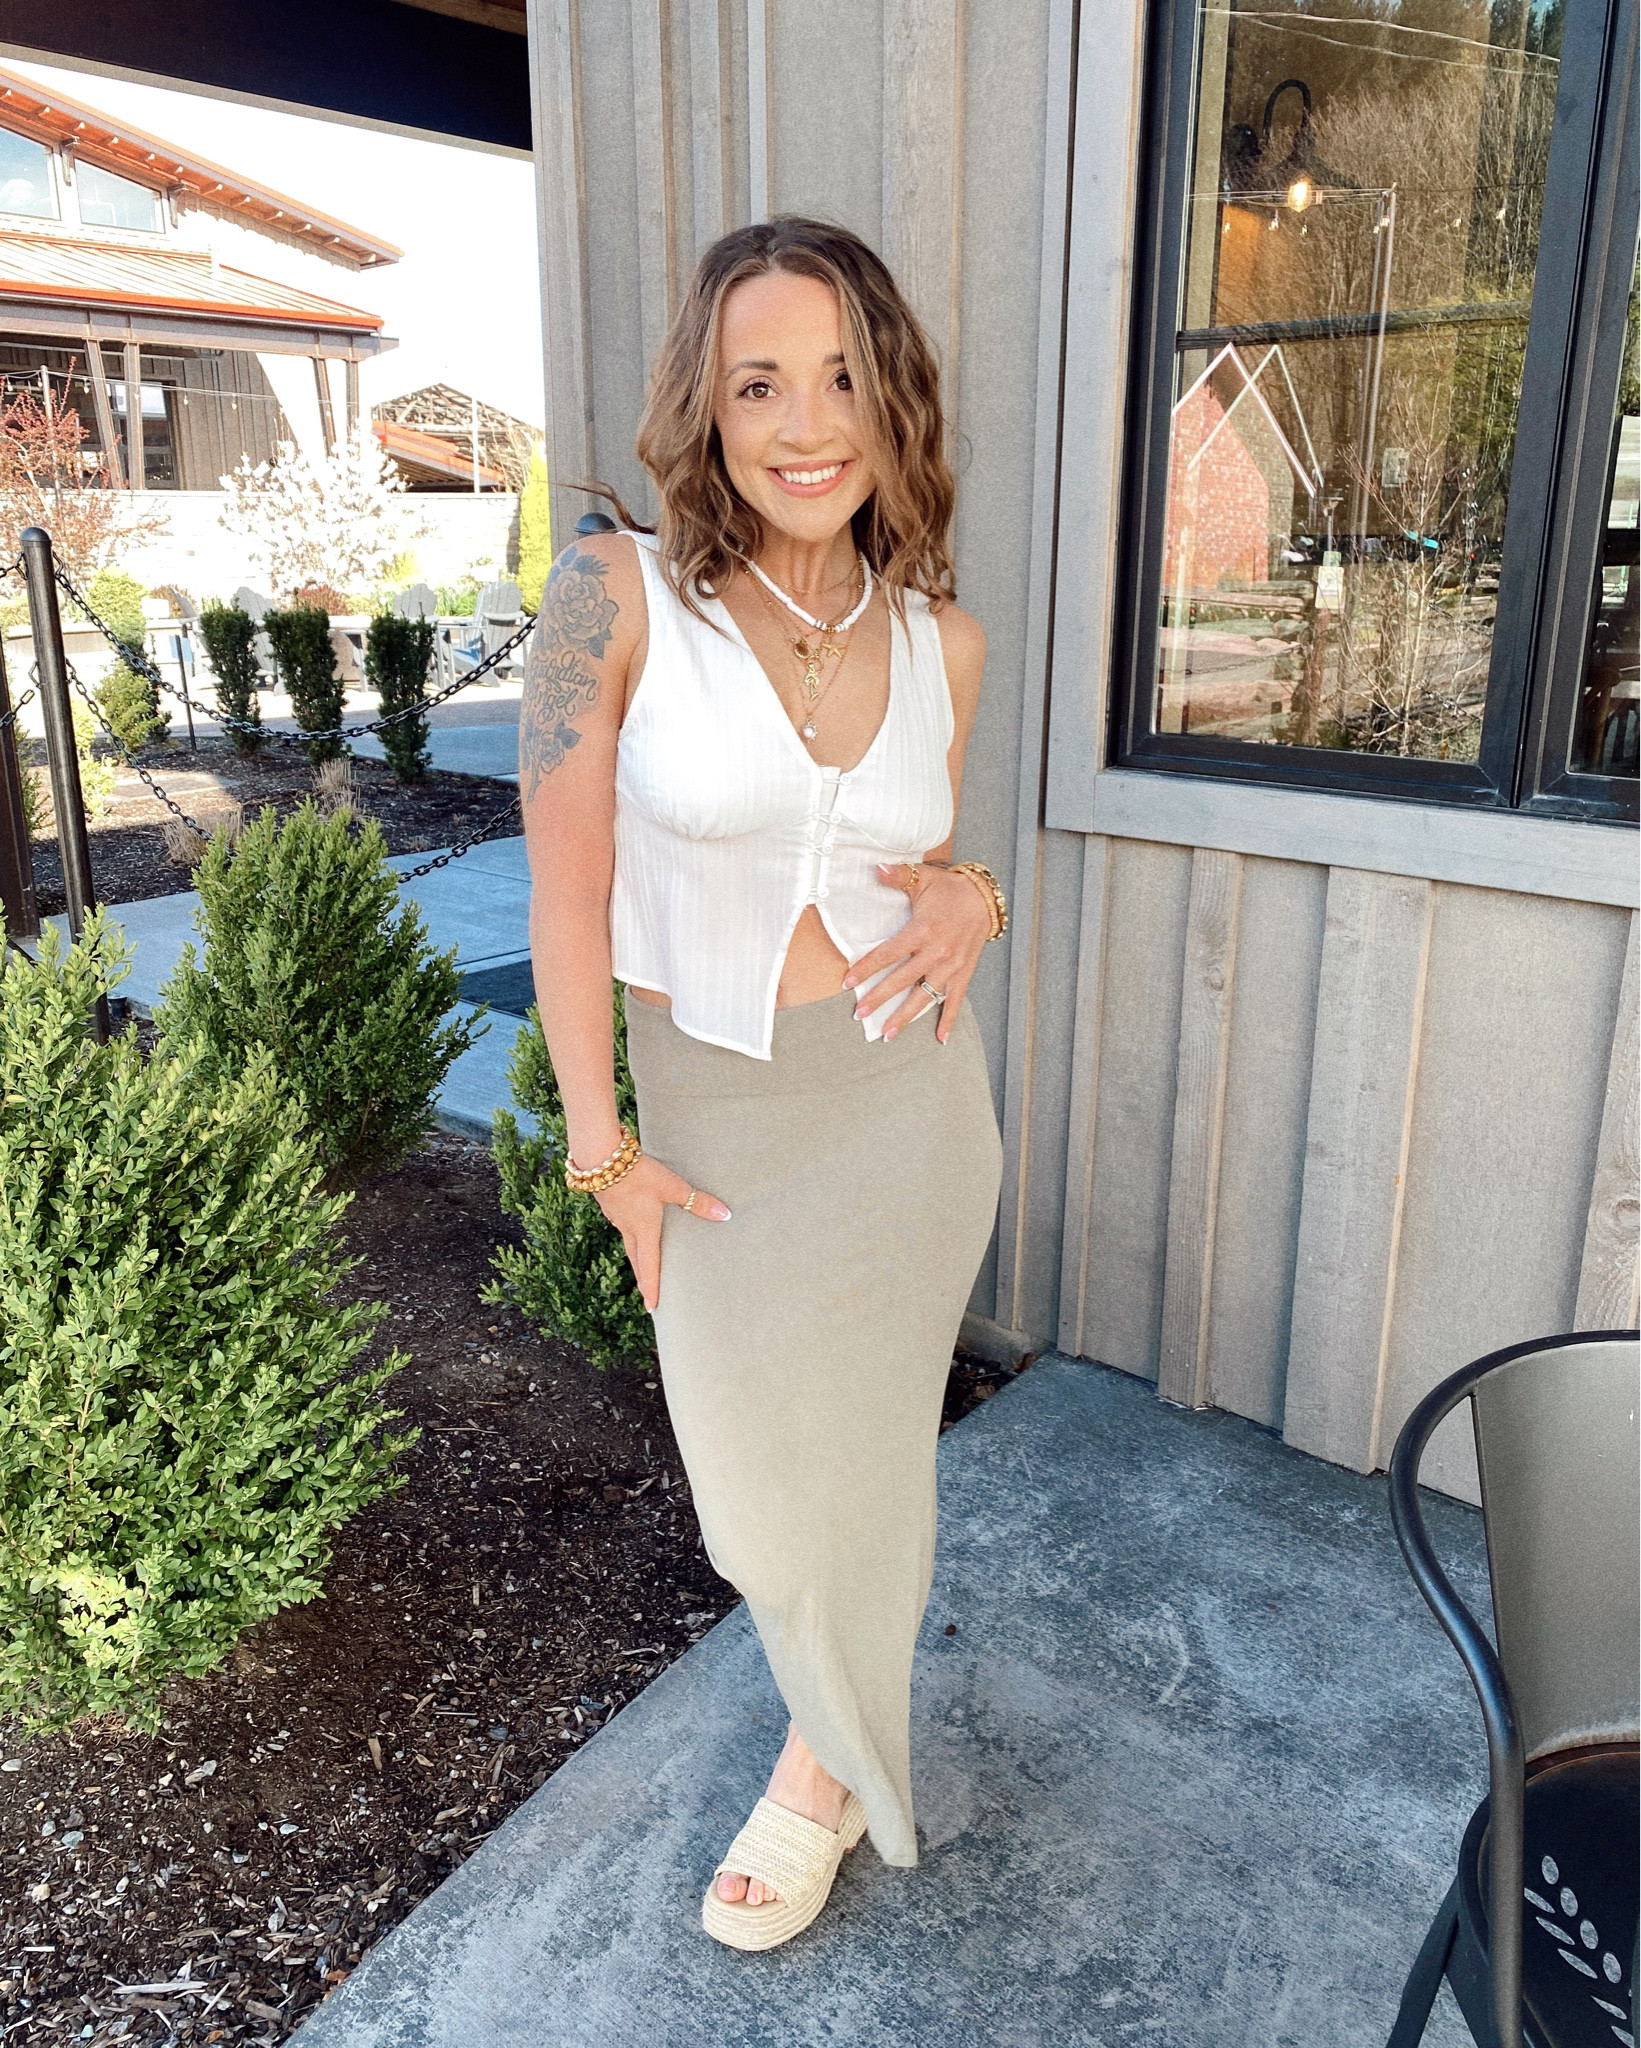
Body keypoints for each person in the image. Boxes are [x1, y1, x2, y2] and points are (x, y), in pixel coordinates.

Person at [520, 215, 1007, 1951]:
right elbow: (563, 895)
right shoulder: (611, 597)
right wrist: (603, 1153)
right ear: (706, 410)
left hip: (908, 1113)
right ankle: (838, 1733)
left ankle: (820, 1773)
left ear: (892, 405)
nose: (806, 425)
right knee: (761, 1507)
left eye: (842, 380)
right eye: (758, 384)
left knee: (865, 1474)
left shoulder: (940, 639)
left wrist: (976, 897)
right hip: (718, 1116)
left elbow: (924, 873)